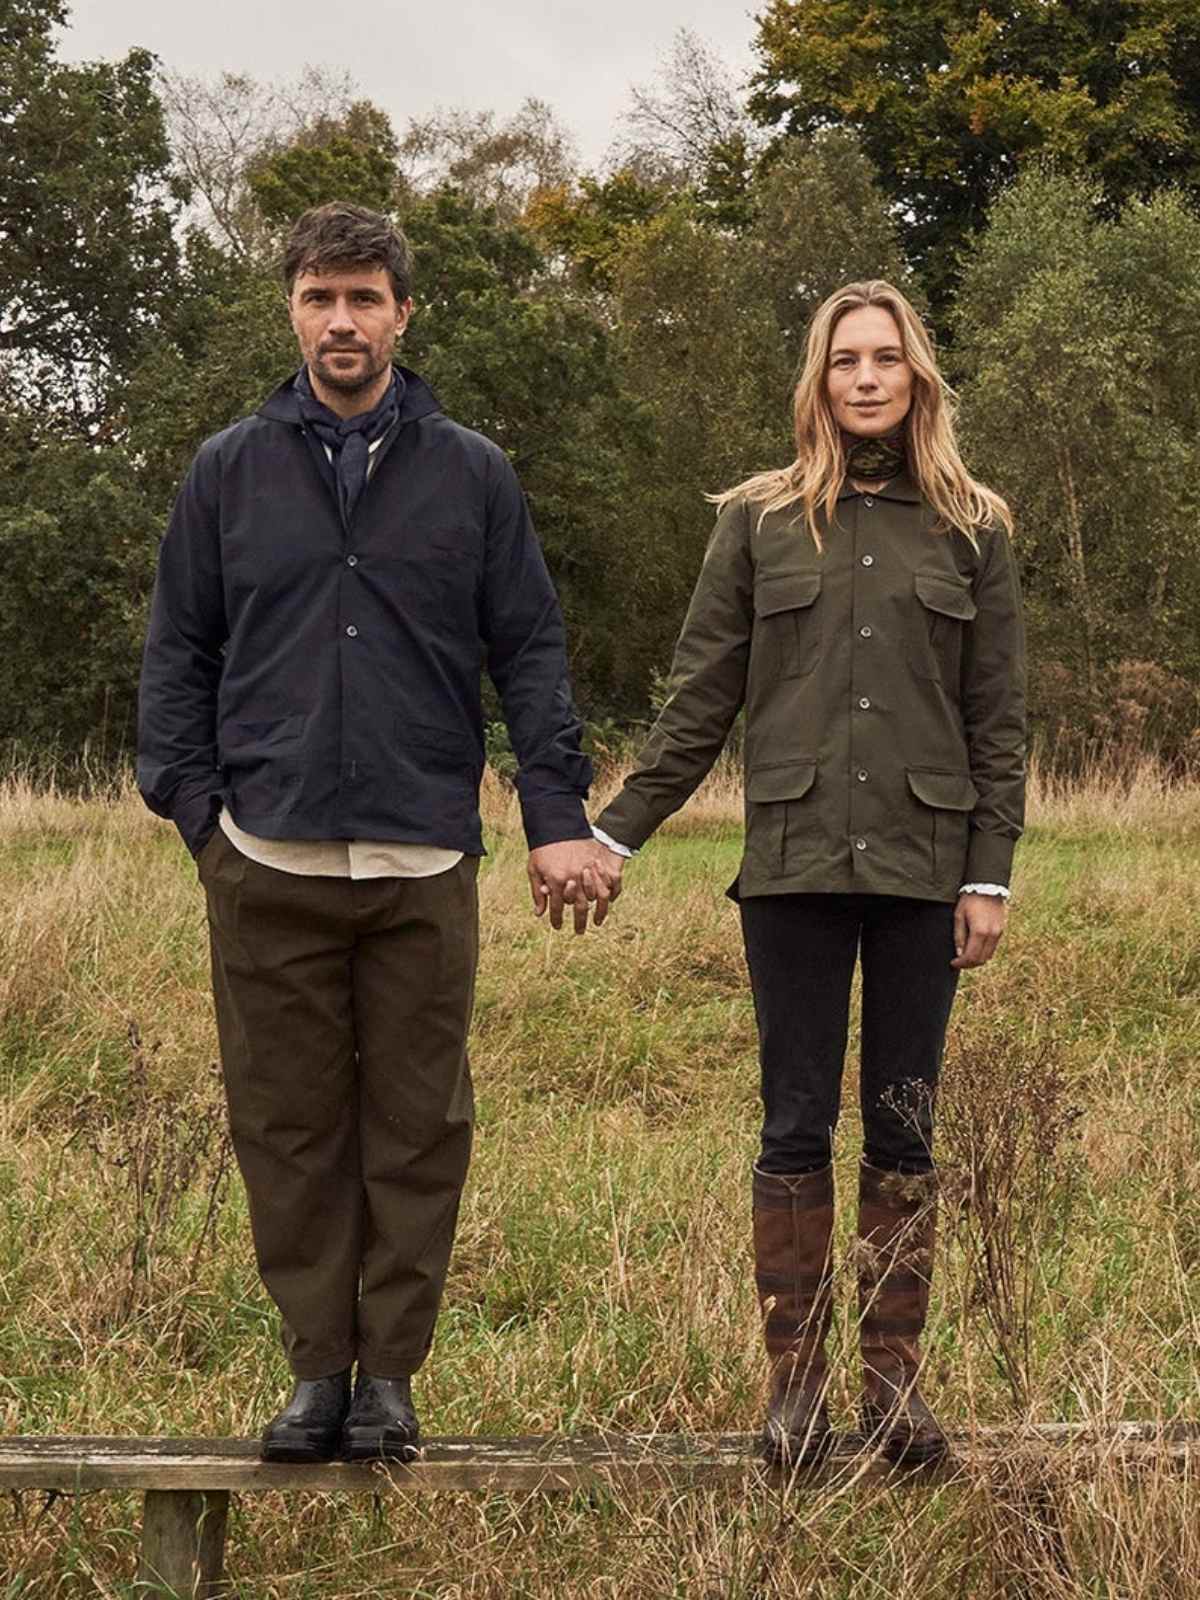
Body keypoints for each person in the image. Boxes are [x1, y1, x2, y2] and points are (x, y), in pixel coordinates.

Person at [138, 201, 610, 1463]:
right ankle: (314, 1372)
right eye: (317, 296)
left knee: (416, 1124)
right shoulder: (228, 470)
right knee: (287, 1123)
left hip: (421, 855)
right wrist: (199, 815)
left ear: (403, 311)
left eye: (363, 297)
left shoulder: (473, 472)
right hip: (268, 852)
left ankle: (390, 1375)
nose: (340, 319)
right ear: (291, 309)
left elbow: (532, 651)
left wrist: (554, 814)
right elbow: (178, 650)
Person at [589, 280, 1025, 1466]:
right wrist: (615, 833)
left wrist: (990, 875)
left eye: (888, 358)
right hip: (789, 867)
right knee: (794, 1125)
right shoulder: (757, 521)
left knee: (903, 1128)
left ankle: (892, 1392)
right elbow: (697, 701)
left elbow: (999, 721)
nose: (869, 377)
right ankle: (797, 1391)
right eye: (847, 361)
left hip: (925, 869)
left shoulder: (975, 526)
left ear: (918, 376)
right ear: (819, 380)